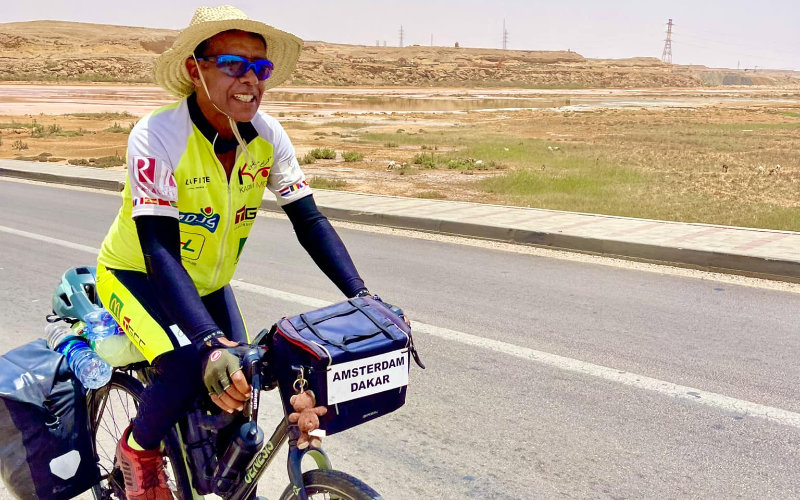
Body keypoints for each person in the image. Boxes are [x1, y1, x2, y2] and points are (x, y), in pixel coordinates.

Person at [95, 6, 371, 499]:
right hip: (137, 272)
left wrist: (362, 296)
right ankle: (137, 450)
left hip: (207, 281)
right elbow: (158, 249)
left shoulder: (267, 136)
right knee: (185, 365)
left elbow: (309, 221)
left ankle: (209, 478)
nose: (250, 80)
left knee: (243, 384)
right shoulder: (158, 136)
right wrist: (205, 342)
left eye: (260, 68)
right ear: (193, 69)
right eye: (232, 64)